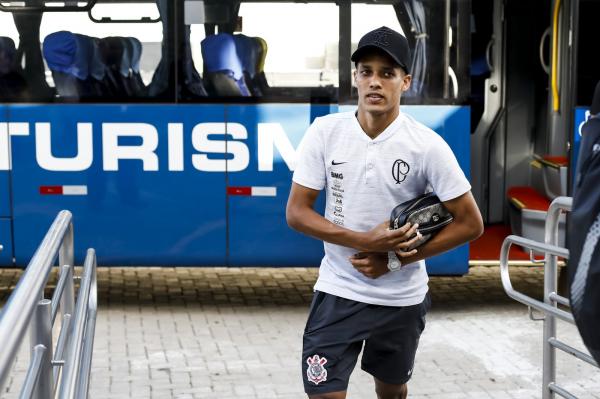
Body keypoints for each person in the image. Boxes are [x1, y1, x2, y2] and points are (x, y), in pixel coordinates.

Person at [286, 26, 484, 399]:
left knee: (391, 392)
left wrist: (393, 259)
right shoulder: (325, 132)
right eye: (367, 71)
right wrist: (364, 241)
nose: (375, 82)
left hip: (401, 299)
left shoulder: (427, 146)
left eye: (387, 73)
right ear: (356, 78)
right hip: (338, 289)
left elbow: (471, 224)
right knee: (323, 393)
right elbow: (297, 213)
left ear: (405, 81)